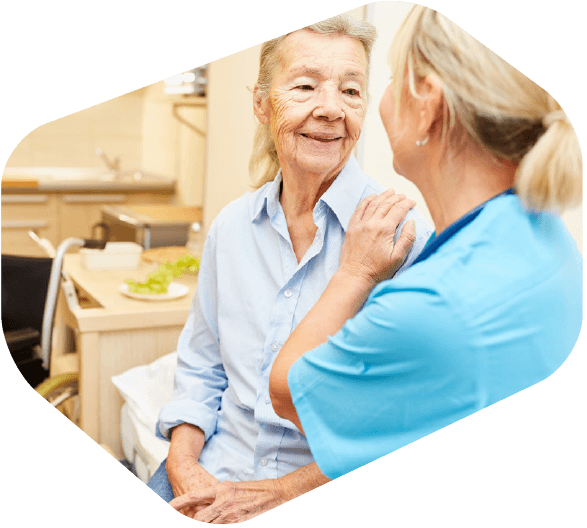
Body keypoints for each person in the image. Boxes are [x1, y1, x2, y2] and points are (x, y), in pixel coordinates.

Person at [269, 5, 583, 480]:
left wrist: (354, 273)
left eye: (381, 82)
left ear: (427, 105)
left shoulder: (431, 294)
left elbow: (289, 389)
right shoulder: (540, 229)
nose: (331, 108)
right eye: (306, 86)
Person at [148, 15, 432, 523]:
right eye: (305, 86)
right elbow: (201, 367)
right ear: (261, 103)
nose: (330, 110)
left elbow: (405, 415)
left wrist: (280, 491)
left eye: (351, 91)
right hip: (213, 470)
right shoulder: (232, 228)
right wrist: (183, 464)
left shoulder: (398, 236)